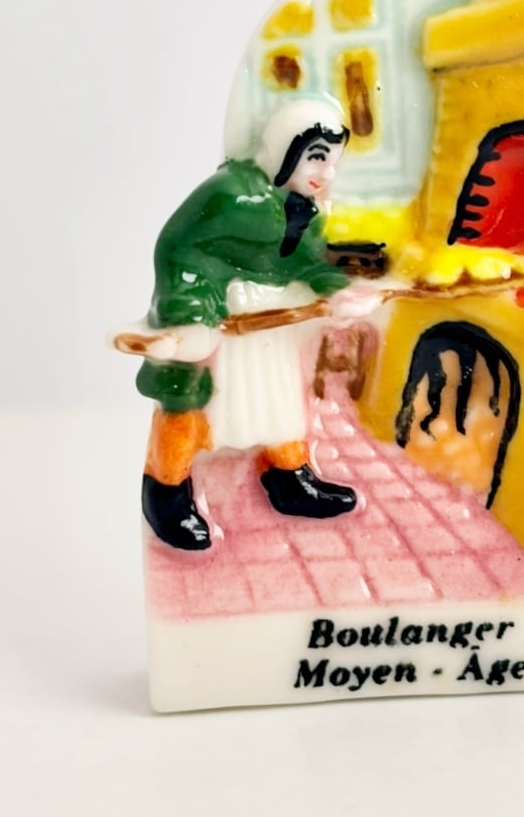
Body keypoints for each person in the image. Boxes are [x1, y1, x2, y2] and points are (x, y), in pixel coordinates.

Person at [137, 98, 378, 550]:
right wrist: (192, 312)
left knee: (281, 399)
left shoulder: (302, 207)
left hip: (266, 328)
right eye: (317, 156)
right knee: (190, 407)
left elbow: (308, 261)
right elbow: (176, 248)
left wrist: (336, 291)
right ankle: (166, 492)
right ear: (286, 149)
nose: (327, 173)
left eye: (334, 161)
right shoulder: (230, 195)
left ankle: (289, 479)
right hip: (215, 324)